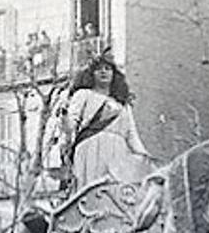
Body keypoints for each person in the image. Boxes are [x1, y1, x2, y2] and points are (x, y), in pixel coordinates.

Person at [59, 54, 152, 192]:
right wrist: (64, 116)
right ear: (92, 74)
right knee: (91, 191)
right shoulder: (84, 95)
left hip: (118, 154)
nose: (103, 72)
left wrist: (146, 157)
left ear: (114, 74)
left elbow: (132, 136)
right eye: (99, 69)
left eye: (108, 69)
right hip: (90, 149)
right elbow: (70, 126)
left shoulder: (123, 106)